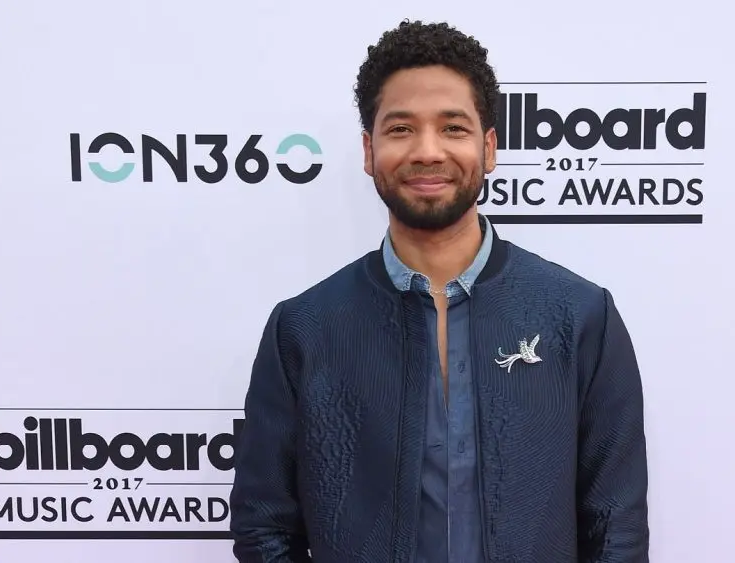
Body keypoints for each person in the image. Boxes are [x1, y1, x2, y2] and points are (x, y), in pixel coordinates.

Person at [229, 19, 650, 563]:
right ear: (368, 149)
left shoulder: (580, 315)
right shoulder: (305, 329)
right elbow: (264, 529)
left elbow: (616, 530)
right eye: (401, 129)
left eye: (453, 128)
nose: (427, 151)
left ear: (489, 147)